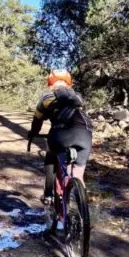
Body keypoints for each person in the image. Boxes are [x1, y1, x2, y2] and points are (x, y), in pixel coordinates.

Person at [27, 69, 93, 204]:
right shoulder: (77, 97)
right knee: (78, 174)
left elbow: (37, 120)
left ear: (50, 84)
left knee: (51, 156)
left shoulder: (46, 98)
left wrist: (33, 133)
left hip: (60, 134)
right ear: (69, 84)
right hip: (85, 134)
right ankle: (84, 211)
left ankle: (49, 195)